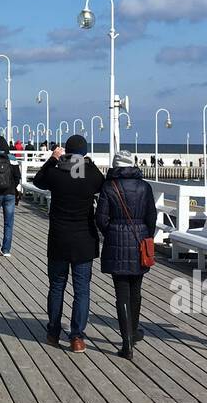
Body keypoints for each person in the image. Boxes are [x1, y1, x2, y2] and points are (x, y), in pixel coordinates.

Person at [32, 134, 103, 352]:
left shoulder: (56, 172)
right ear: (85, 153)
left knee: (57, 287)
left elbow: (38, 181)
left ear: (66, 150)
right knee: (82, 290)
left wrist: (53, 159)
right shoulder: (90, 173)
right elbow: (102, 185)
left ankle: (53, 333)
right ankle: (77, 338)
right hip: (84, 239)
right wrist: (86, 163)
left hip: (59, 239)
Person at [95, 151, 157, 360]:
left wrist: (111, 232)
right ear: (133, 164)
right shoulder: (144, 187)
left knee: (121, 292)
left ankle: (127, 342)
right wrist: (146, 234)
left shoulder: (108, 186)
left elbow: (101, 218)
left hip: (116, 242)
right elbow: (152, 216)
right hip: (140, 241)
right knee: (136, 290)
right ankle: (134, 330)